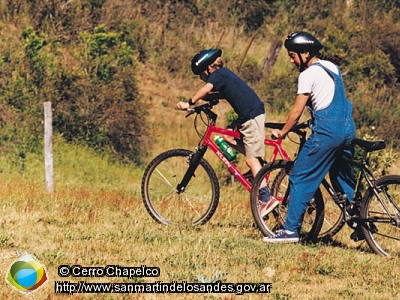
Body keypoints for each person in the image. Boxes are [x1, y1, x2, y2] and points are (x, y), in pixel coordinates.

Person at [263, 31, 356, 243]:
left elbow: (296, 111)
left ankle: (290, 231)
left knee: (299, 176)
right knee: (341, 176)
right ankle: (358, 219)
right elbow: (327, 99)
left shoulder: (307, 75)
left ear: (305, 53)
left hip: (327, 133)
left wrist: (283, 132)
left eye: (292, 55)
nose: (290, 59)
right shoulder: (333, 67)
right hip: (348, 129)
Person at [176, 48, 279, 216]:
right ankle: (260, 166)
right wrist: (204, 101)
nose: (202, 79)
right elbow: (219, 94)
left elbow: (206, 90)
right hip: (248, 114)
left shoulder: (218, 75)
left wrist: (190, 103)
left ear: (208, 68)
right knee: (228, 135)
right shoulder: (224, 76)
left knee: (250, 160)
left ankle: (266, 198)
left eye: (201, 75)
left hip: (251, 116)